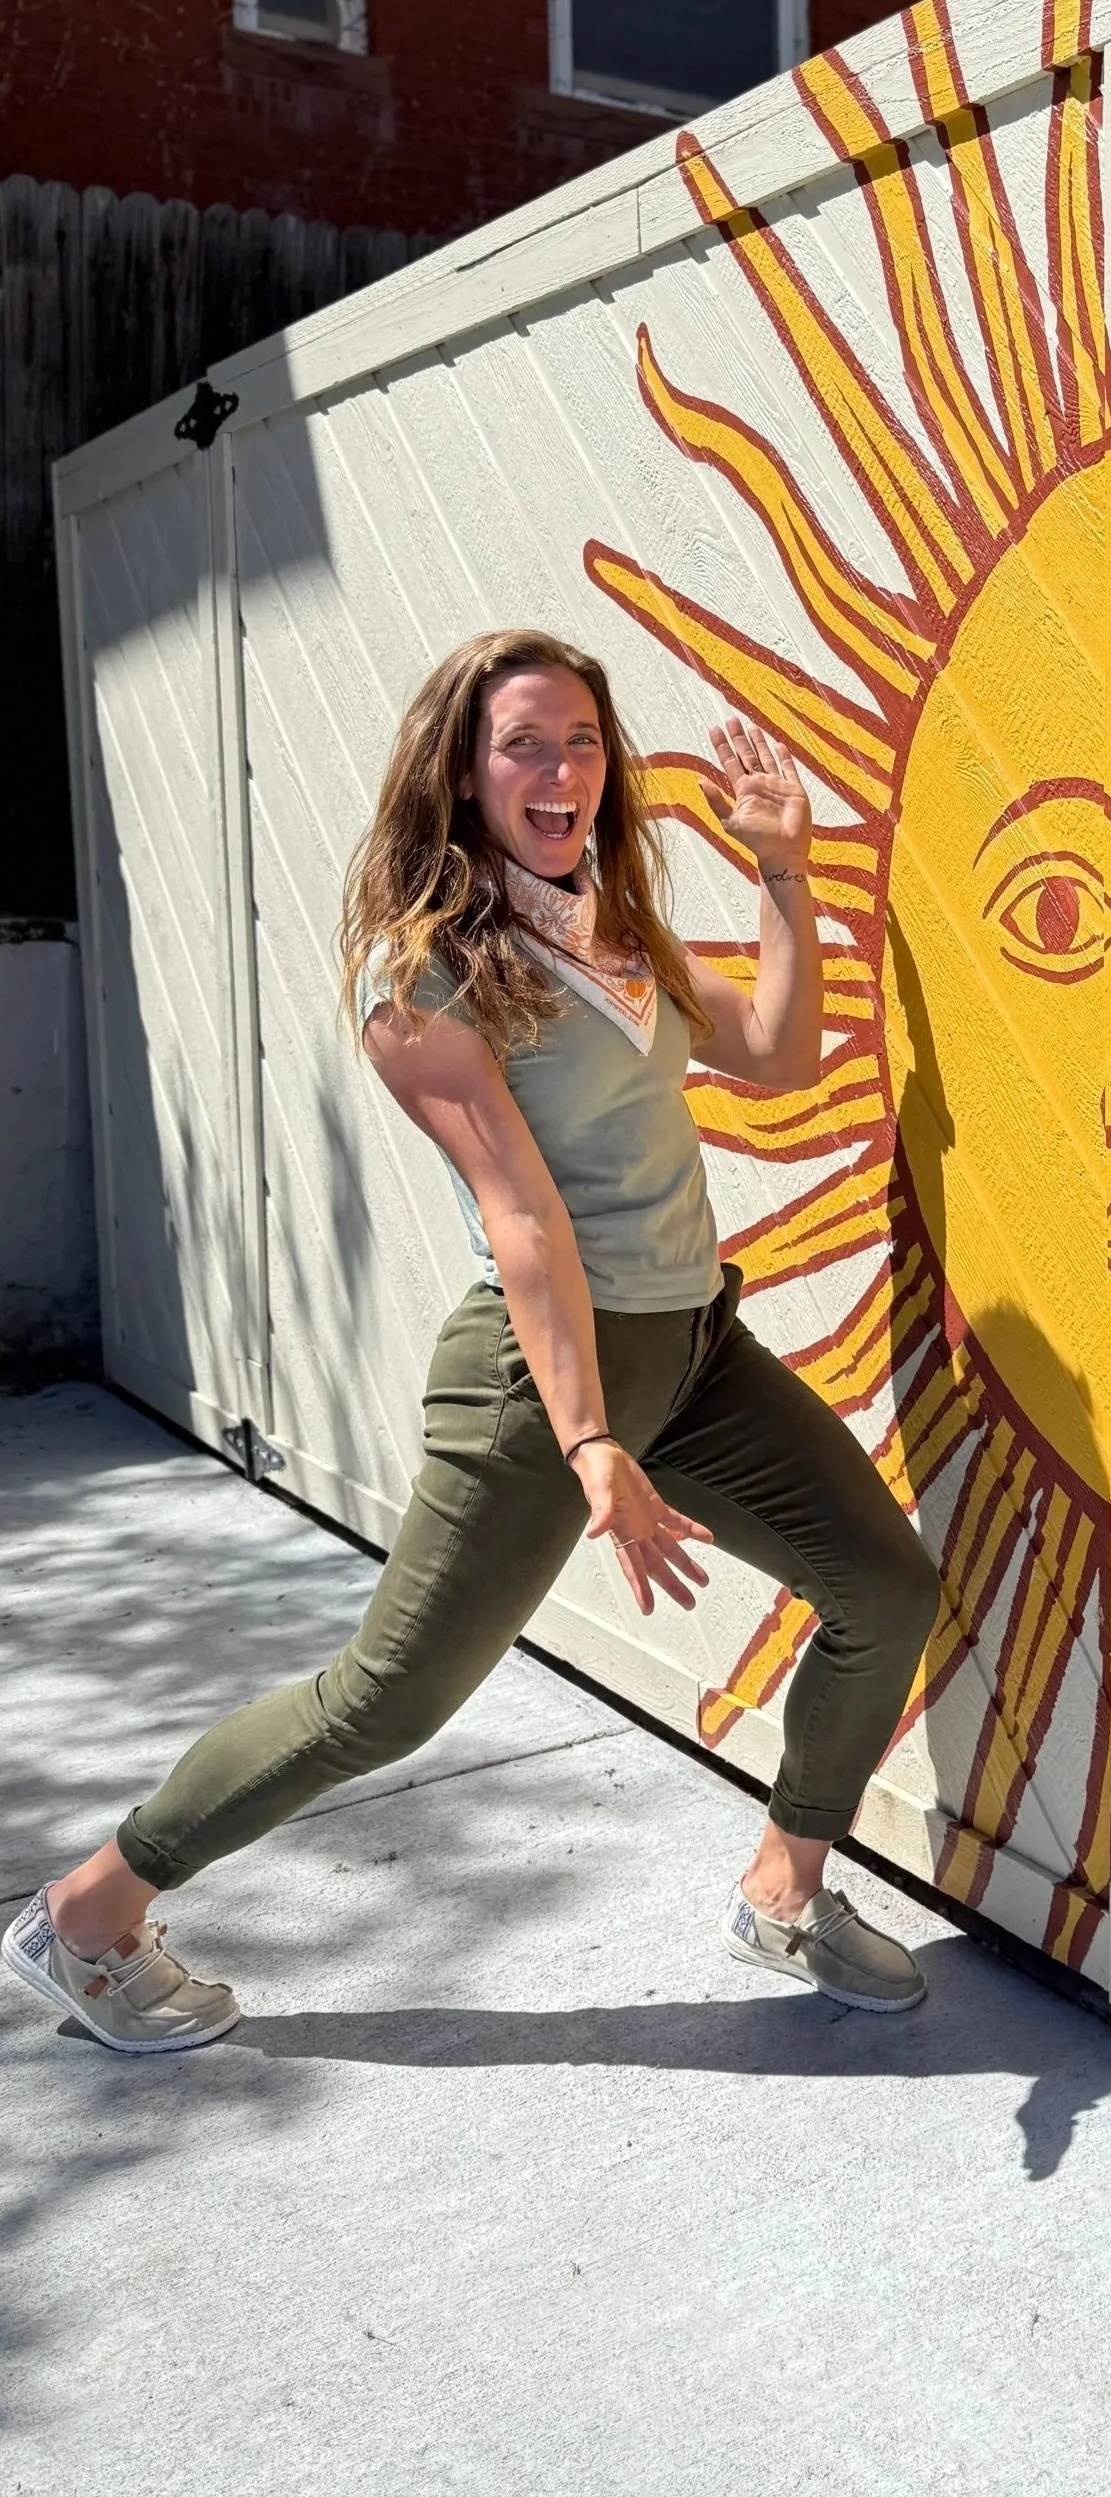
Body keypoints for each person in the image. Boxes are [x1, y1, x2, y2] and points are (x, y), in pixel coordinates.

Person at [5, 629, 941, 2052]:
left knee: (882, 1589)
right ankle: (86, 1914)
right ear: (461, 770)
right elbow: (522, 1222)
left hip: (692, 1345)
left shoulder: (613, 927)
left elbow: (777, 1051)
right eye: (524, 744)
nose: (561, 769)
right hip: (541, 1379)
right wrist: (586, 1441)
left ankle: (786, 1886)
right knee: (383, 1703)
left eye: (581, 740)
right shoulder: (426, 979)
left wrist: (782, 874)